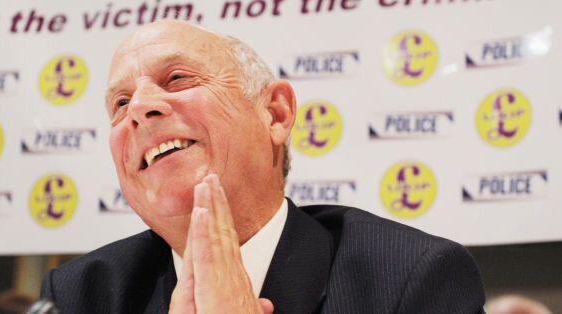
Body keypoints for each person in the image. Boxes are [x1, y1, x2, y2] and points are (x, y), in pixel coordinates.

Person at [40, 20, 485, 313]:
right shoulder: (80, 296)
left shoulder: (412, 277)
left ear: (274, 114)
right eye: (120, 103)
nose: (139, 108)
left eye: (177, 79)